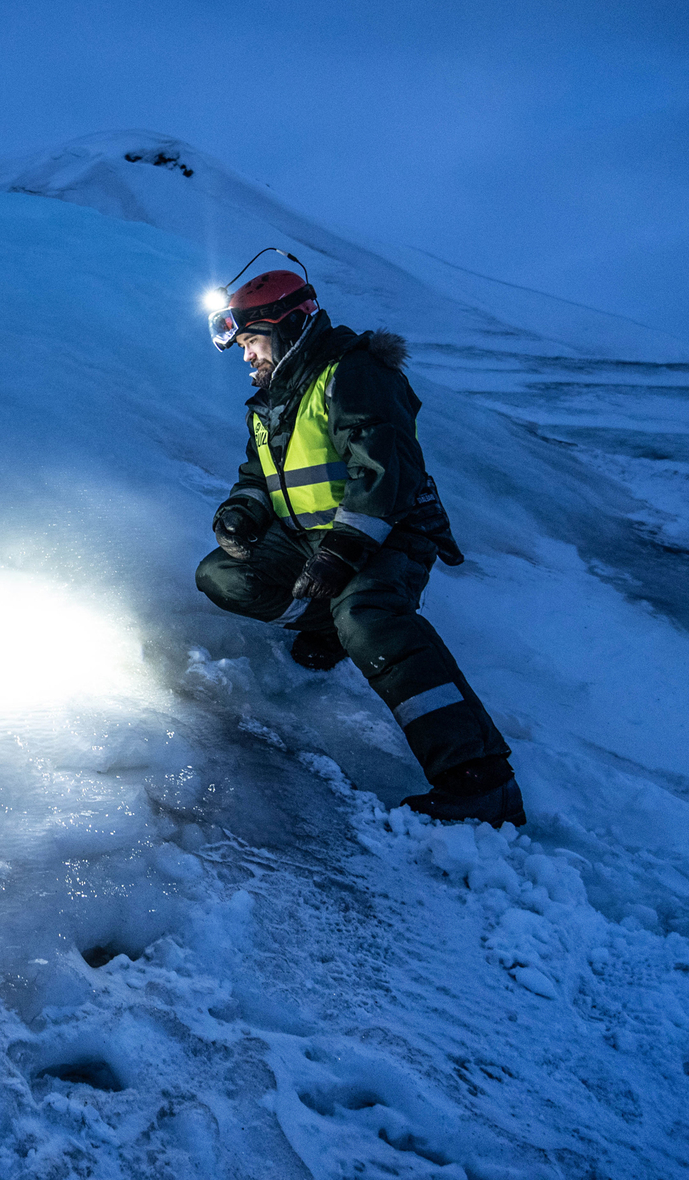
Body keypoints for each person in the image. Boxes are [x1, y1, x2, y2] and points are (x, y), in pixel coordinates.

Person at [195, 254, 524, 825]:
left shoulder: (353, 373)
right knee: (222, 577)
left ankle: (478, 780)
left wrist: (340, 554)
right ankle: (327, 625)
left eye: (253, 341)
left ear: (289, 327)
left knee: (368, 615)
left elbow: (383, 475)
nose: (246, 356)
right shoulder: (272, 399)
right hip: (312, 540)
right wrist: (240, 515)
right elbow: (258, 478)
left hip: (388, 533)